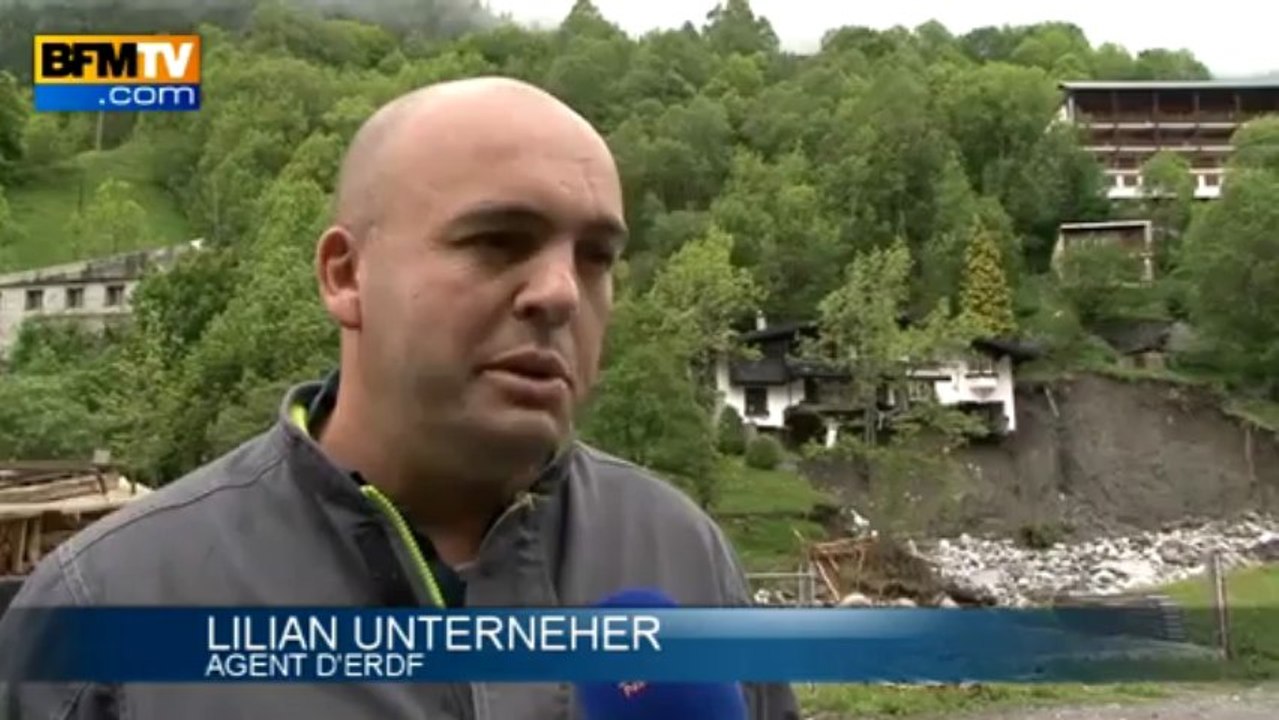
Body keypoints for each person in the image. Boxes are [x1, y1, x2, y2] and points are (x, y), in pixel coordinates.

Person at [0, 77, 800, 719]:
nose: (559, 292)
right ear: (346, 276)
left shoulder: (682, 556)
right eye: (497, 240)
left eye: (595, 257)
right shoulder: (106, 606)